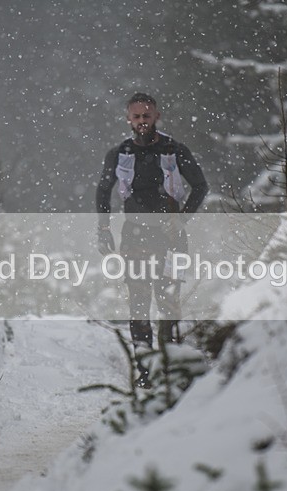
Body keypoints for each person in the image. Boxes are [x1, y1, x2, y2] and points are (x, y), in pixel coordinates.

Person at [96, 92, 208, 387]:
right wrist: (104, 230)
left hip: (171, 237)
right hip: (134, 235)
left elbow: (200, 186)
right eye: (137, 117)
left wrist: (181, 219)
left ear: (157, 116)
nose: (142, 122)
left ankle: (171, 370)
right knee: (139, 302)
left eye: (147, 116)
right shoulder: (120, 154)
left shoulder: (174, 150)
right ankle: (145, 373)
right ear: (128, 119)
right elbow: (103, 191)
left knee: (169, 301)